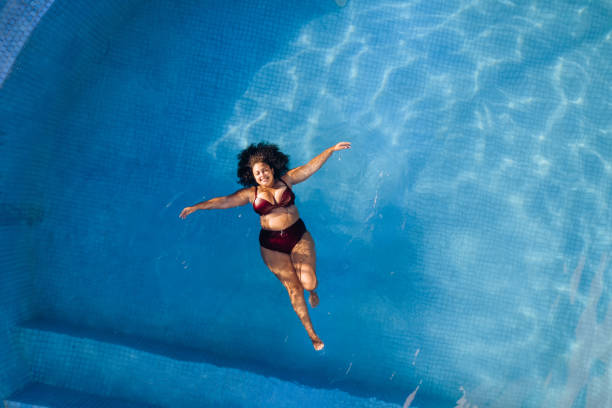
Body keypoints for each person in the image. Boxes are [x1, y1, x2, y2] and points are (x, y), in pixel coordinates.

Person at [180, 141, 351, 350]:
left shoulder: (287, 180)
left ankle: (313, 292)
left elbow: (310, 167)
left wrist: (330, 150)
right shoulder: (251, 194)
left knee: (308, 283)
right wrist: (195, 207)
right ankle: (312, 334)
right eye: (257, 174)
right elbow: (223, 201)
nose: (261, 175)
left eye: (264, 170)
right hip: (272, 246)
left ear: (271, 168)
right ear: (252, 177)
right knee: (294, 290)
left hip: (298, 236)